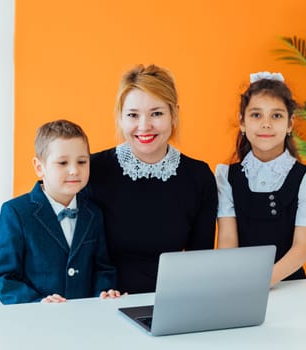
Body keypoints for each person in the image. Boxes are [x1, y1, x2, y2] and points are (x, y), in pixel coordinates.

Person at [87, 64, 218, 294]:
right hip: (101, 303)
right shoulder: (92, 170)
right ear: (120, 117)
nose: (144, 126)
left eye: (156, 113)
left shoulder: (198, 177)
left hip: (171, 303)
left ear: (174, 114)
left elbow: (199, 262)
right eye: (133, 115)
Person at [0, 119, 119, 304]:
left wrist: (104, 292)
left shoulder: (93, 212)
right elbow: (2, 277)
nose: (74, 170)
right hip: (35, 323)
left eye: (82, 161)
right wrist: (37, 302)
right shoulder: (15, 212)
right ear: (39, 167)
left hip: (85, 320)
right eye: (63, 162)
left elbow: (102, 267)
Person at [216, 71, 306, 286]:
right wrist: (229, 284)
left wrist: (260, 282)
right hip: (240, 285)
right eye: (256, 115)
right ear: (242, 122)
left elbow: (301, 250)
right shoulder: (226, 176)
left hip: (290, 287)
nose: (266, 124)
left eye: (276, 115)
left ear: (290, 124)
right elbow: (228, 240)